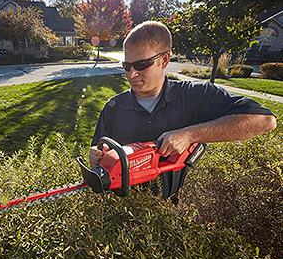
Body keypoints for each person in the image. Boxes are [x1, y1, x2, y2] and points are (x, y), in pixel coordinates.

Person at [89, 21, 277, 201]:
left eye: (141, 65)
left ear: (164, 60)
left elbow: (265, 120)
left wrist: (190, 135)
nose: (132, 74)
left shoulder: (196, 95)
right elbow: (99, 156)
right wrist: (97, 157)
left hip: (178, 212)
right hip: (123, 214)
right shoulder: (114, 107)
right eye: (127, 66)